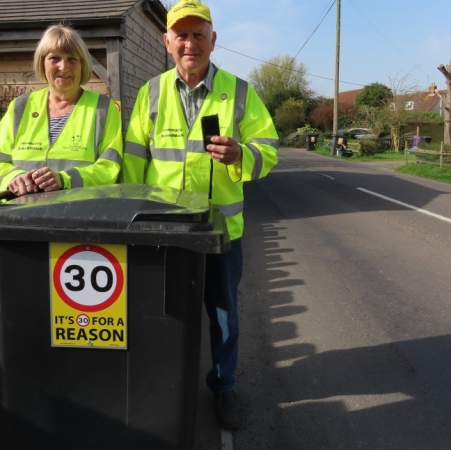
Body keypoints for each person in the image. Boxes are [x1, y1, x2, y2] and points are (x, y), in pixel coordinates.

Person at [121, 0, 278, 429]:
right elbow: (134, 164)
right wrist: (130, 222)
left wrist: (241, 154)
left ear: (213, 40)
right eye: (182, 35)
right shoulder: (149, 94)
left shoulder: (240, 91)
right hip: (162, 232)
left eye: (198, 34)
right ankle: (164, 386)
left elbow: (270, 151)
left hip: (221, 232)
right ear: (166, 41)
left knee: (224, 316)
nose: (190, 43)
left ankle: (224, 388)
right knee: (161, 315)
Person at [0, 24, 122, 196]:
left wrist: (64, 180)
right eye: (55, 58)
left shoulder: (104, 109)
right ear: (42, 63)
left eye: (72, 59)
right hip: (21, 216)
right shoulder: (20, 107)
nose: (64, 67)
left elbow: (110, 168)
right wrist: (14, 178)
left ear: (83, 65)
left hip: (80, 215)